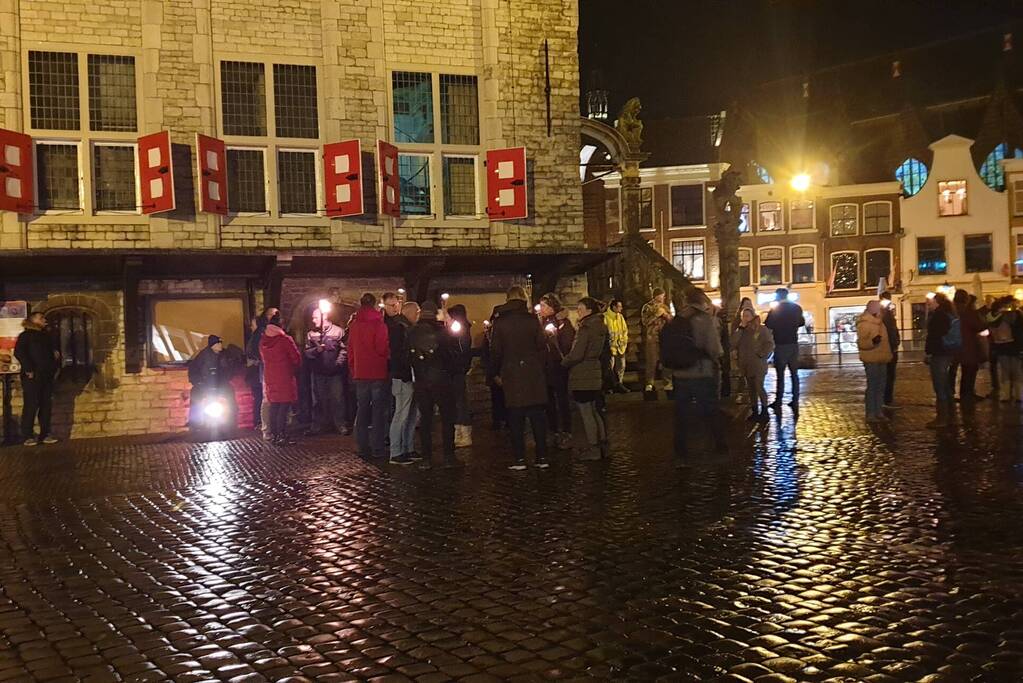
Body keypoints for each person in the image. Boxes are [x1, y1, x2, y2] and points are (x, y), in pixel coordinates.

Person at [661, 289, 725, 466]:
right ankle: (720, 449)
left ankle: (681, 455)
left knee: (681, 415)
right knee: (711, 411)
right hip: (701, 372)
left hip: (680, 373)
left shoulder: (679, 318)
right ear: (703, 301)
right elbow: (715, 348)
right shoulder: (704, 319)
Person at [491, 286, 550, 470]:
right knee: (537, 417)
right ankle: (542, 457)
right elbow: (542, 347)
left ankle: (519, 459)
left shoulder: (500, 322)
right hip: (533, 373)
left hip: (512, 373)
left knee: (516, 418)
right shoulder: (532, 320)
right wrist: (538, 366)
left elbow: (496, 351)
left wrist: (495, 373)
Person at [407, 301, 462, 468]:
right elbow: (453, 357)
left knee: (425, 420)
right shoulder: (443, 332)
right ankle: (448, 456)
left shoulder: (411, 332)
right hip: (442, 380)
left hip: (421, 380)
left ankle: (426, 458)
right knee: (447, 418)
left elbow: (405, 356)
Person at [561, 297, 609, 460]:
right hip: (594, 372)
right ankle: (603, 445)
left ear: (589, 311)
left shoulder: (586, 328)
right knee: (595, 410)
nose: (578, 312)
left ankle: (593, 448)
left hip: (583, 374)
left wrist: (565, 362)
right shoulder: (600, 326)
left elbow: (577, 353)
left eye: (580, 309)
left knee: (586, 412)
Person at [348, 292, 391, 459]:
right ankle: (377, 447)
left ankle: (362, 445)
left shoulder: (355, 325)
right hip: (377, 371)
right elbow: (382, 348)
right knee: (379, 411)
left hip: (360, 372)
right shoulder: (379, 324)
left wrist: (353, 369)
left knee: (362, 409)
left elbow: (350, 351)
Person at [14, 312, 60, 446]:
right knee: (31, 404)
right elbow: (19, 352)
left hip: (47, 375)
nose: (45, 320)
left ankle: (45, 434)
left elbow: (51, 353)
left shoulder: (46, 335)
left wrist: (54, 361)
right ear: (33, 320)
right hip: (32, 375)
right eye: (41, 318)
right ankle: (27, 435)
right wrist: (28, 369)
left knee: (46, 405)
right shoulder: (25, 336)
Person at [305, 307, 350, 436]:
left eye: (315, 317)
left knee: (337, 399)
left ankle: (339, 424)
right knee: (318, 400)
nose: (313, 320)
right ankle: (319, 424)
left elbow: (345, 349)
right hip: (318, 372)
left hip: (334, 372)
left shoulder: (338, 331)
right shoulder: (311, 334)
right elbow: (307, 351)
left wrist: (338, 362)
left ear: (324, 316)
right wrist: (316, 350)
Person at [539, 293, 575, 450]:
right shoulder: (541, 322)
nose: (541, 309)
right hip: (546, 368)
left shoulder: (563, 323)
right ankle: (553, 430)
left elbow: (566, 346)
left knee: (562, 400)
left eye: (544, 306)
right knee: (548, 401)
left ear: (552, 307)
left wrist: (554, 339)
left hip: (559, 367)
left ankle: (566, 431)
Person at [259, 313, 302, 446]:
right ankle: (282, 435)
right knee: (284, 405)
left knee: (274, 405)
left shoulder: (263, 340)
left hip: (270, 376)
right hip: (284, 376)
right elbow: (296, 358)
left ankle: (274, 434)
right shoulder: (285, 340)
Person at [386, 301, 420, 465]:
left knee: (411, 414)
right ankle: (396, 451)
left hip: (408, 376)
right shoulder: (400, 329)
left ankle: (407, 448)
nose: (418, 315)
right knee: (402, 413)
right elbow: (399, 354)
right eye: (417, 312)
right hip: (403, 376)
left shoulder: (404, 328)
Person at [730, 308, 774, 421]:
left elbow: (769, 343)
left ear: (752, 316)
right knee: (751, 389)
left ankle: (764, 411)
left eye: (747, 316)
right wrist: (740, 329)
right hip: (745, 363)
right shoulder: (741, 330)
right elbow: (733, 343)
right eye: (743, 316)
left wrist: (762, 354)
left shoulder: (761, 329)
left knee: (759, 387)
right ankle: (755, 411)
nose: (745, 318)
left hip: (758, 363)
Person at [764, 288, 805, 410]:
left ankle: (779, 401)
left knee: (780, 375)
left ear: (778, 297)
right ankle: (795, 399)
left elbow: (768, 324)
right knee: (794, 374)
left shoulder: (775, 310)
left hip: (780, 344)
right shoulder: (796, 308)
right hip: (793, 343)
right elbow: (802, 322)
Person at [856, 301, 893, 424]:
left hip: (882, 357)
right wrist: (873, 342)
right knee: (873, 386)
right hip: (871, 358)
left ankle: (878, 411)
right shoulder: (864, 323)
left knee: (881, 385)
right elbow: (862, 343)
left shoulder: (880, 322)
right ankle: (871, 413)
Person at [924, 293, 957, 428]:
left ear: (937, 302)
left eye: (931, 301)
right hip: (946, 352)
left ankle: (942, 418)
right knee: (945, 385)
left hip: (939, 353)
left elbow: (934, 336)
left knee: (940, 385)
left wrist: (929, 352)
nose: (928, 303)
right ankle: (951, 416)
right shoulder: (947, 314)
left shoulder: (938, 316)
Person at [246, 307, 278, 440]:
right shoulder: (262, 332)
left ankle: (269, 426)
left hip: (268, 369)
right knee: (267, 398)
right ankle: (267, 427)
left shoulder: (265, 332)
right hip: (266, 369)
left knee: (268, 398)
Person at [949, 289, 985, 402]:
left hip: (954, 345)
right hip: (968, 345)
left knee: (957, 371)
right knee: (970, 370)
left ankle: (956, 393)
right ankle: (967, 394)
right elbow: (979, 326)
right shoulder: (968, 312)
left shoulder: (952, 310)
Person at [446, 304, 474, 448]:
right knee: (457, 401)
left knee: (459, 401)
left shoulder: (459, 331)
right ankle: (459, 432)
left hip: (457, 370)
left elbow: (461, 350)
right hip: (457, 369)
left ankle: (463, 433)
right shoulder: (462, 330)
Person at [987, 295, 1023, 402]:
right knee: (1016, 370)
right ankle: (1018, 395)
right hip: (1014, 345)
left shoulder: (992, 316)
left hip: (1000, 345)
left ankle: (1006, 395)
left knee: (1005, 370)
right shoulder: (1014, 315)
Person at [641, 288, 673, 393]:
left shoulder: (665, 307)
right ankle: (649, 383)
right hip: (652, 337)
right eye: (662, 295)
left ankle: (667, 382)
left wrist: (666, 315)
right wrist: (656, 315)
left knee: (666, 360)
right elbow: (645, 322)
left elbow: (671, 320)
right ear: (656, 296)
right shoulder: (647, 307)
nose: (663, 297)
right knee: (651, 361)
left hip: (665, 337)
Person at [481, 309, 507, 431]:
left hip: (505, 371)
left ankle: (507, 420)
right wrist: (493, 373)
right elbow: (486, 355)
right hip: (494, 372)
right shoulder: (488, 336)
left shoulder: (505, 335)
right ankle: (497, 420)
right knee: (496, 398)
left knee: (506, 398)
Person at [879, 292, 901, 408]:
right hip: (888, 348)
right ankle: (886, 400)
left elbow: (893, 330)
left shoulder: (888, 314)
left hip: (891, 347)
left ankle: (886, 399)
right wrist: (894, 344)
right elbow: (889, 331)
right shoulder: (884, 315)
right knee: (888, 375)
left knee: (889, 375)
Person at [603, 299, 629, 393]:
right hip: (610, 347)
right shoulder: (605, 317)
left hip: (620, 346)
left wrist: (624, 341)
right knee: (610, 368)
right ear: (614, 307)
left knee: (621, 366)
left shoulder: (620, 317)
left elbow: (624, 330)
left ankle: (619, 384)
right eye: (619, 306)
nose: (621, 308)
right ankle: (609, 386)